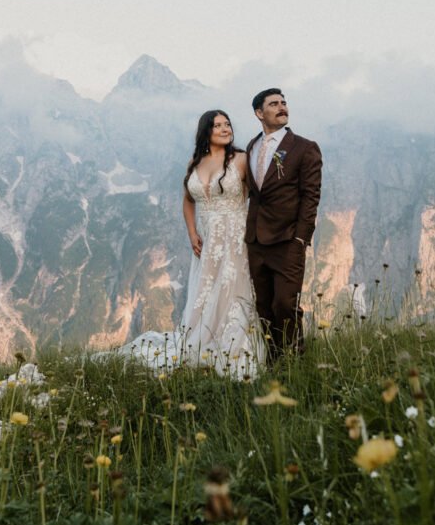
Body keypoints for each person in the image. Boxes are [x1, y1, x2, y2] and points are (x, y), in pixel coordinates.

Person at [121, 110, 265, 379]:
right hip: (208, 242)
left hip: (237, 237)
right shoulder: (194, 163)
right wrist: (191, 232)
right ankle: (203, 341)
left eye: (227, 124)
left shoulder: (242, 159)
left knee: (233, 290)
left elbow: (260, 197)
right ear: (205, 132)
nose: (225, 129)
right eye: (217, 125)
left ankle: (233, 346)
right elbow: (188, 199)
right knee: (207, 291)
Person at [245, 89, 322, 361]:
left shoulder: (304, 147)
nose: (282, 107)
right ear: (259, 113)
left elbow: (310, 196)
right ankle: (273, 360)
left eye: (284, 103)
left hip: (288, 240)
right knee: (264, 306)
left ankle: (294, 362)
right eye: (274, 104)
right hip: (255, 241)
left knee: (285, 304)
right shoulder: (251, 148)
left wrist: (301, 238)